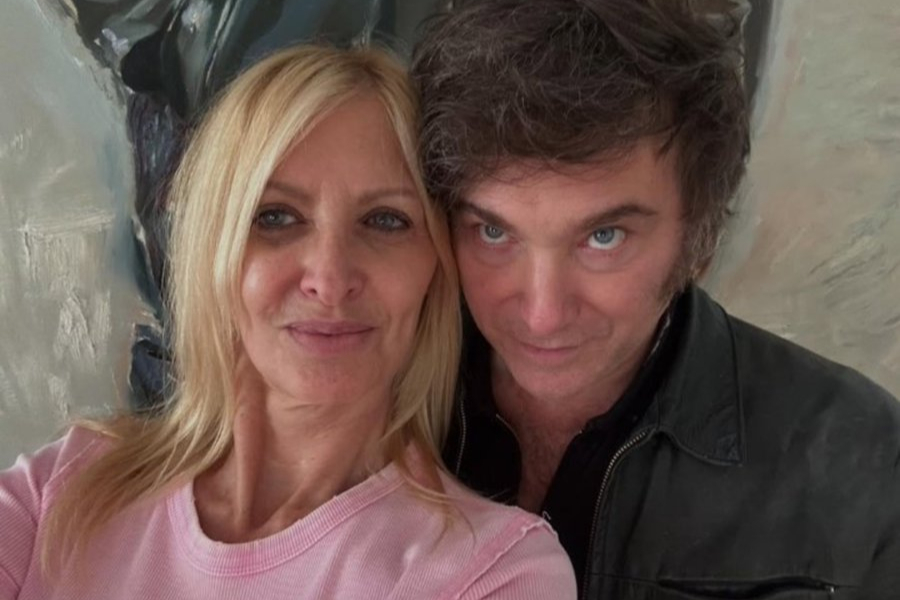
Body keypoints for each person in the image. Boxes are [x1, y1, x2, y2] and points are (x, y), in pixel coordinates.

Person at [0, 44, 576, 600]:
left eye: (385, 220)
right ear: (214, 247)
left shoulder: (494, 573)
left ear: (436, 267)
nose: (329, 278)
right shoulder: (60, 492)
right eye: (275, 217)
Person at [411, 1, 900, 598]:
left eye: (604, 237)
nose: (542, 314)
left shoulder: (866, 463)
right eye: (493, 232)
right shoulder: (378, 407)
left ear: (699, 241)